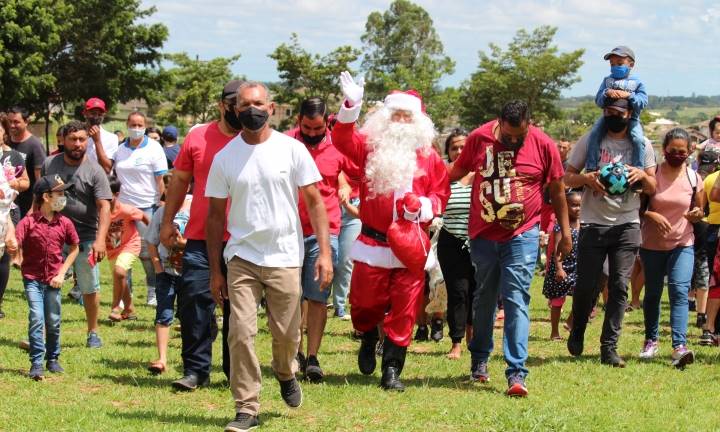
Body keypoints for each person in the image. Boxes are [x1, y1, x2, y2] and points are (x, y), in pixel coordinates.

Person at [205, 81, 333, 432]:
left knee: (287, 335)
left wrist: (324, 253)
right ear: (234, 109)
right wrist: (216, 270)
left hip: (285, 256)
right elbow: (214, 216)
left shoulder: (292, 150)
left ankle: (285, 370)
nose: (252, 110)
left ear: (271, 108)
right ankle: (246, 407)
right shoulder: (225, 158)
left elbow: (315, 202)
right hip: (242, 257)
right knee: (240, 332)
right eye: (244, 104)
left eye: (258, 103)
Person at [332, 72, 450, 392]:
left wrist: (423, 206)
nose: (400, 120)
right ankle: (368, 334)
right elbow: (341, 139)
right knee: (364, 304)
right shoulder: (369, 148)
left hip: (410, 247)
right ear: (385, 118)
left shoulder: (430, 159)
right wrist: (351, 104)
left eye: (406, 115)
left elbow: (440, 194)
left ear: (418, 121)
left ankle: (392, 368)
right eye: (395, 114)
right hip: (373, 241)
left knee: (404, 309)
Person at [449, 100, 571, 397]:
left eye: (520, 135)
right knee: (485, 298)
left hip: (523, 233)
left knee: (516, 298)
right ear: (498, 121)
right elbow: (456, 172)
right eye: (508, 135)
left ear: (530, 122)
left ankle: (516, 372)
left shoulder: (543, 144)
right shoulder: (479, 138)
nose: (514, 140)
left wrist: (565, 232)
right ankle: (479, 359)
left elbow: (557, 190)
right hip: (484, 234)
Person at [159, 79, 242, 391]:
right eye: (235, 105)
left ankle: (235, 369)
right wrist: (167, 222)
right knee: (193, 301)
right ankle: (195, 370)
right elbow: (180, 180)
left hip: (243, 240)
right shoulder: (197, 136)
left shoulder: (256, 140)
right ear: (222, 105)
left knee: (239, 307)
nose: (240, 111)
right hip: (199, 237)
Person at [564, 98, 657, 367]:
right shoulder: (591, 141)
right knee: (586, 286)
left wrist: (641, 175)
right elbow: (566, 177)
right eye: (607, 112)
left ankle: (609, 347)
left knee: (618, 286)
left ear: (630, 114)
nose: (611, 116)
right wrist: (586, 179)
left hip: (627, 224)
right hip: (593, 223)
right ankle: (578, 327)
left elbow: (653, 187)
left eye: (617, 112)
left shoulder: (643, 145)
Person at [286, 97, 350, 382]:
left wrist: (346, 184)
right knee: (290, 296)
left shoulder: (338, 147)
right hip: (288, 231)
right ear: (299, 121)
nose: (312, 133)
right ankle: (295, 352)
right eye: (307, 127)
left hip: (326, 232)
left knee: (316, 296)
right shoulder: (284, 144)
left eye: (318, 127)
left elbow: (348, 176)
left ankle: (312, 357)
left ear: (327, 121)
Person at [43, 121, 111, 348]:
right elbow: (39, 197)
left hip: (85, 237)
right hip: (53, 234)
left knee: (89, 287)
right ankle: (45, 332)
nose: (77, 144)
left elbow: (105, 207)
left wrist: (100, 240)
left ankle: (93, 332)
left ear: (87, 141)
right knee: (49, 283)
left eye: (82, 139)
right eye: (73, 139)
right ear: (63, 140)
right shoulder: (49, 164)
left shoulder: (95, 170)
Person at [639, 128, 701, 368]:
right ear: (664, 150)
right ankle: (651, 340)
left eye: (682, 151)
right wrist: (651, 214)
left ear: (689, 152)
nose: (677, 155)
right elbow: (638, 209)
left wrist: (697, 214)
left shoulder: (694, 179)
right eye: (672, 151)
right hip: (652, 244)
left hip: (682, 243)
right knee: (653, 293)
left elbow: (699, 210)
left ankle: (679, 346)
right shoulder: (652, 175)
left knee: (678, 291)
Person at [14, 175, 79, 380]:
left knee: (53, 320)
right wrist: (14, 252)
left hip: (53, 279)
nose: (63, 197)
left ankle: (52, 358)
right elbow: (15, 242)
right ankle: (36, 363)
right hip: (32, 278)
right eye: (59, 193)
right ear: (46, 196)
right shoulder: (28, 222)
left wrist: (61, 272)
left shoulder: (65, 223)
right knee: (36, 317)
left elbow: (75, 248)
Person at [112, 112, 168, 307]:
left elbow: (161, 180)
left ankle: (152, 290)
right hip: (124, 209)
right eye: (133, 124)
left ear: (145, 126)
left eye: (140, 124)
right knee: (122, 251)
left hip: (147, 208)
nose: (136, 128)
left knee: (147, 252)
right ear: (127, 124)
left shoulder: (154, 149)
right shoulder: (120, 150)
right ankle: (124, 294)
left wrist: (162, 202)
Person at [436, 129, 475, 359]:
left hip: (479, 241)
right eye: (454, 148)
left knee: (477, 291)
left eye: (463, 147)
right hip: (451, 239)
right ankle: (457, 342)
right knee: (458, 292)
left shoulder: (481, 174)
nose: (459, 151)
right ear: (448, 152)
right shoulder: (443, 175)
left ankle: (474, 337)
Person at [146, 184, 191, 375]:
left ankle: (189, 359)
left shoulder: (195, 208)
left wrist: (183, 244)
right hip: (166, 272)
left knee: (190, 316)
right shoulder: (161, 213)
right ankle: (162, 358)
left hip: (190, 272)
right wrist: (157, 267)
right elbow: (151, 241)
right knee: (163, 312)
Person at [587, 46, 648, 172]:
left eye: (619, 63)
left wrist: (630, 96)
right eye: (612, 64)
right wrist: (606, 93)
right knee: (594, 135)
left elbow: (643, 102)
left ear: (631, 65)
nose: (615, 67)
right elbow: (598, 100)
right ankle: (591, 167)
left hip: (631, 119)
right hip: (608, 116)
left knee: (638, 140)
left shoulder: (637, 82)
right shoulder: (607, 81)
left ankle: (638, 170)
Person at [105, 175, 150, 322]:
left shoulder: (125, 210)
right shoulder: (99, 211)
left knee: (119, 272)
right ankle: (129, 309)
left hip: (130, 244)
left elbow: (143, 216)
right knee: (120, 277)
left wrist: (153, 233)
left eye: (107, 195)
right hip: (112, 249)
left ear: (116, 195)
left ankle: (115, 308)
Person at [0, 113, 29, 318]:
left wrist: (12, 184)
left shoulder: (13, 157)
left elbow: (26, 181)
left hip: (7, 211)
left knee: (3, 258)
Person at [542, 191, 581, 341]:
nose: (577, 209)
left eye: (579, 206)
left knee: (583, 296)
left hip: (577, 267)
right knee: (558, 301)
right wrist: (559, 268)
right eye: (574, 205)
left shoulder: (582, 224)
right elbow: (557, 249)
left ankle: (571, 322)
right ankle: (554, 332)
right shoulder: (560, 226)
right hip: (562, 267)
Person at [6, 106, 46, 217]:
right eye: (10, 122)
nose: (12, 125)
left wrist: (34, 207)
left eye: (16, 122)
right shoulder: (5, 142)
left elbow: (40, 180)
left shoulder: (34, 145)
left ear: (26, 122)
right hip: (7, 205)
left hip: (26, 207)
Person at [83, 97, 118, 174]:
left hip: (100, 183)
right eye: (93, 113)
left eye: (100, 114)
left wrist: (97, 141)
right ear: (85, 113)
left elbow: (107, 169)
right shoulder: (78, 137)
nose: (96, 117)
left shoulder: (111, 138)